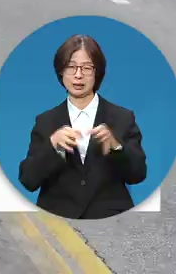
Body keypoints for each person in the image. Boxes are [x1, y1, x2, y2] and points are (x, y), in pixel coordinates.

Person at [17, 35, 147, 219]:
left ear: (97, 72)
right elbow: (28, 180)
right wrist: (53, 146)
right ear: (61, 72)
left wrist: (116, 147)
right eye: (71, 67)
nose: (78, 75)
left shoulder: (122, 118)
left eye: (86, 68)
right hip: (58, 219)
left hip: (109, 219)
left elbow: (138, 175)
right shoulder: (46, 121)